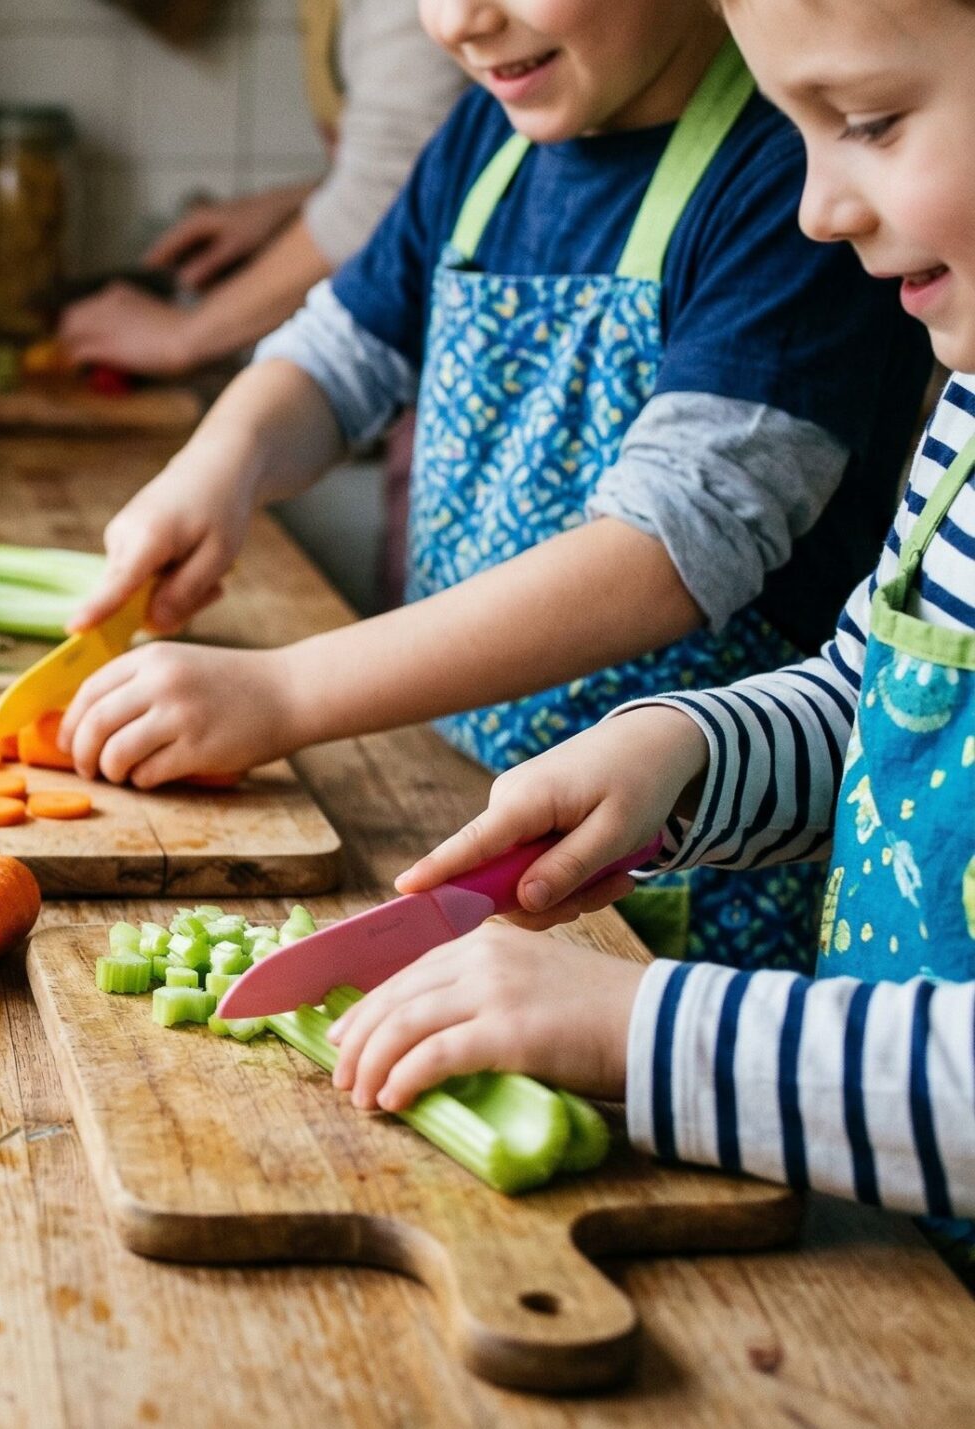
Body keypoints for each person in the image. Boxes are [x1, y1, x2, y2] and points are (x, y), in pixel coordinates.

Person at [60, 0, 933, 973]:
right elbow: (337, 355)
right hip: (456, 799)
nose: (456, 22)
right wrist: (220, 467)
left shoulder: (784, 181)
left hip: (673, 884)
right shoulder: (490, 133)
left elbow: (663, 554)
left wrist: (282, 688)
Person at [331, 0, 975, 1257]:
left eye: (869, 124)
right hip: (904, 1244)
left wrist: (643, 1027)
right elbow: (878, 702)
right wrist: (681, 752)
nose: (817, 209)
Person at [57, 0, 468, 377]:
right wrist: (289, 206)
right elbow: (421, 163)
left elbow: (389, 192)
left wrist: (183, 335)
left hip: (445, 356)